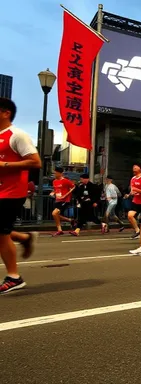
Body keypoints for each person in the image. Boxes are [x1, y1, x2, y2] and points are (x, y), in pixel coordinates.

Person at [0, 98, 41, 294]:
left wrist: (5, 165)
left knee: (0, 234)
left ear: (6, 113)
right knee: (2, 232)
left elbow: (35, 162)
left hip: (11, 192)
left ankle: (14, 277)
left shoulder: (17, 135)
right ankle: (24, 238)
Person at [50, 167, 76, 236]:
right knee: (56, 215)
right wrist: (53, 193)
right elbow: (55, 190)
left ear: (60, 173)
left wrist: (65, 195)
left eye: (55, 173)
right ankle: (71, 220)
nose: (54, 174)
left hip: (64, 200)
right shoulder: (54, 181)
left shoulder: (65, 181)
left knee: (54, 213)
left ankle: (59, 230)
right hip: (57, 200)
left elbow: (73, 187)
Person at [125, 164, 141, 239]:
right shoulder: (133, 179)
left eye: (135, 167)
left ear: (140, 169)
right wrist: (130, 194)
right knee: (130, 215)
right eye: (133, 167)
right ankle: (137, 231)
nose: (133, 168)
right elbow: (132, 190)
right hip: (136, 201)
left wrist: (138, 191)